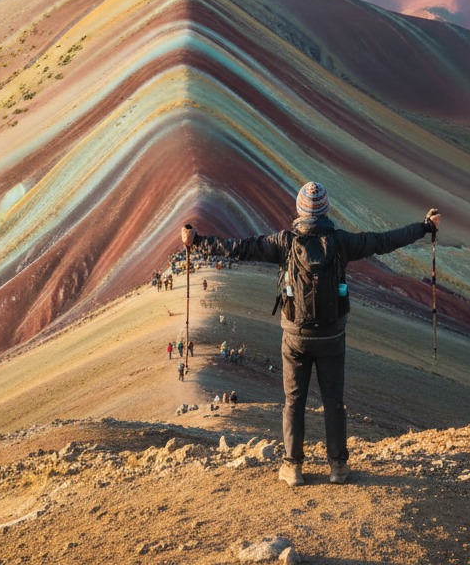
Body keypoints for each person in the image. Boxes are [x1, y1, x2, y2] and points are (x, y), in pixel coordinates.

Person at [181, 180, 439, 487]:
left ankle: (293, 467)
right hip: (332, 336)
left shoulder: (284, 242)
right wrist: (424, 227)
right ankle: (338, 468)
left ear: (300, 210)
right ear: (326, 210)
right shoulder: (341, 242)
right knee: (334, 401)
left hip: (294, 337)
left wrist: (198, 241)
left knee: (294, 402)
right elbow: (384, 240)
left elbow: (242, 248)